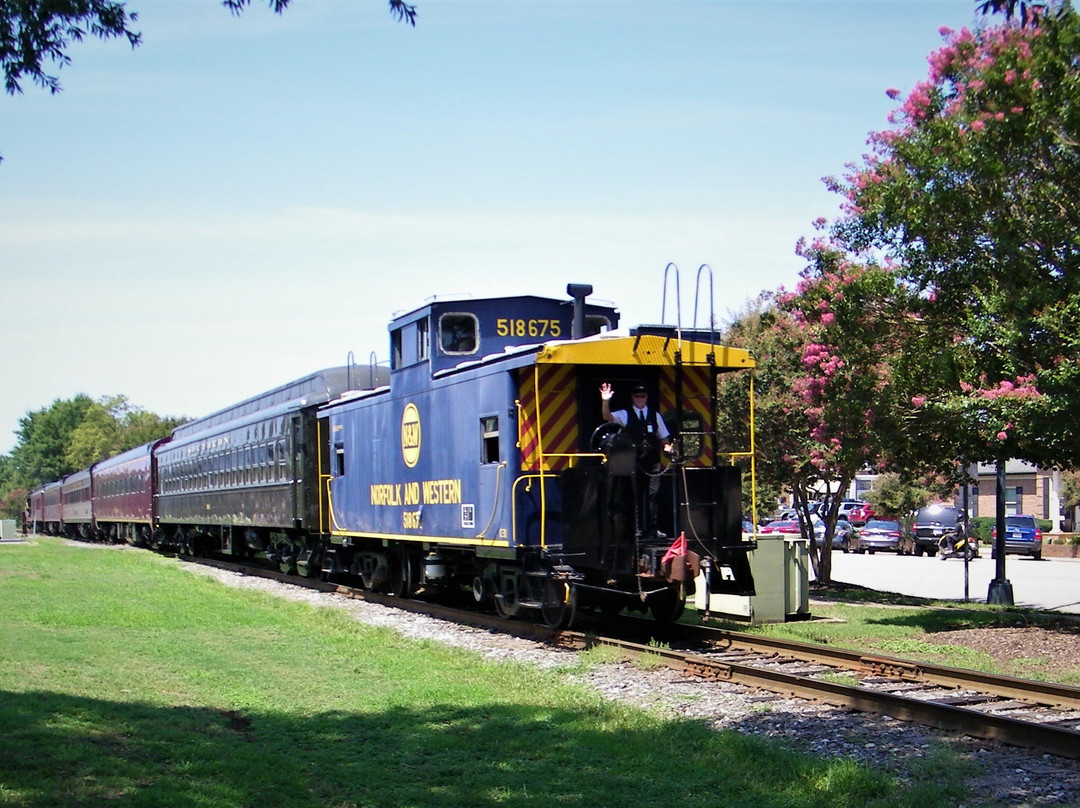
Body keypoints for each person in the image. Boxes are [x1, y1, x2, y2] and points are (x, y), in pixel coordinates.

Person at [599, 382, 672, 537]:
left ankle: (654, 528)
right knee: (635, 495)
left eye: (643, 396)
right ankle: (636, 528)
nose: (640, 399)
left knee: (654, 494)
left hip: (653, 462)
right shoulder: (625, 414)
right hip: (634, 462)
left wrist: (667, 447)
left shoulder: (655, 415)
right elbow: (607, 417)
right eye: (637, 396)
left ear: (646, 397)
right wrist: (605, 400)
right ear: (632, 398)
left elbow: (664, 437)